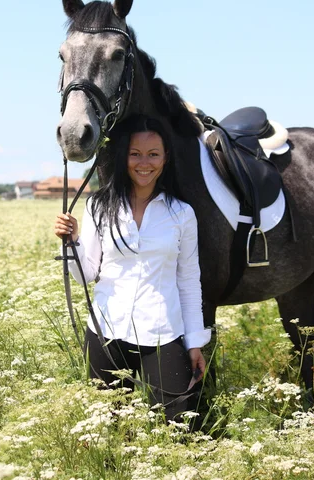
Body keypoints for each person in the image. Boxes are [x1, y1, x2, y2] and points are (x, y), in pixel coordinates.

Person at [55, 115, 211, 422]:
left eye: (153, 154)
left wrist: (194, 343)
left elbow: (189, 281)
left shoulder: (182, 214)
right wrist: (71, 241)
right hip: (106, 331)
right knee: (109, 428)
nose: (144, 162)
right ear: (124, 156)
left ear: (165, 159)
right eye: (135, 153)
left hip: (162, 333)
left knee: (178, 424)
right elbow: (86, 273)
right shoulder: (98, 206)